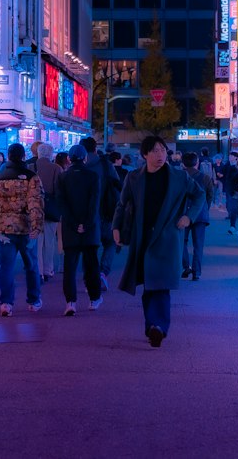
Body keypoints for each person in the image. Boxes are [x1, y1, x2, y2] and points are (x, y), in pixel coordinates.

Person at [112, 133, 205, 347]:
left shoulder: (179, 177)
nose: (160, 155)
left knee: (160, 285)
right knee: (149, 285)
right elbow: (122, 203)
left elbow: (199, 195)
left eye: (162, 150)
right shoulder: (134, 177)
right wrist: (116, 227)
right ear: (144, 154)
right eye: (154, 151)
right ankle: (153, 325)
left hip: (167, 237)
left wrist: (188, 216)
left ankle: (158, 326)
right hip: (142, 236)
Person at [0, 142, 45, 316]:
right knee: (31, 266)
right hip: (26, 229)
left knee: (6, 267)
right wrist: (36, 226)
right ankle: (33, 301)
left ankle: (6, 303)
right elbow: (36, 204)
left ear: (8, 156)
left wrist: (0, 215)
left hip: (4, 230)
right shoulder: (31, 177)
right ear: (24, 157)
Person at [57, 143, 103, 314]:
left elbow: (62, 203)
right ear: (85, 158)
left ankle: (70, 302)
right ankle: (94, 299)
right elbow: (94, 203)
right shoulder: (93, 176)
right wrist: (87, 224)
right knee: (91, 265)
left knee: (69, 267)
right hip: (90, 228)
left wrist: (75, 224)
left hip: (70, 228)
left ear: (69, 159)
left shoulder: (63, 177)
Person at [81, 135, 121, 285]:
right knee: (110, 243)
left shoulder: (78, 166)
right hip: (106, 212)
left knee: (88, 248)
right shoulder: (106, 165)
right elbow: (117, 187)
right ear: (95, 148)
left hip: (86, 215)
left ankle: (88, 279)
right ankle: (103, 273)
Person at [180, 151, 213, 280]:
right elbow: (210, 195)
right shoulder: (205, 177)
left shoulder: (180, 177)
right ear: (197, 163)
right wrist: (205, 208)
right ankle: (196, 272)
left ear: (183, 164)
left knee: (182, 242)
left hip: (183, 214)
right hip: (200, 214)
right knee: (198, 244)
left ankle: (185, 267)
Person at [35, 142, 63, 282]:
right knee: (49, 241)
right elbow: (60, 190)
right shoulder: (56, 168)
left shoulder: (30, 167)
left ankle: (38, 270)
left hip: (34, 209)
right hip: (51, 208)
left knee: (37, 241)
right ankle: (48, 269)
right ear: (50, 154)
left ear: (38, 153)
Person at [223, 153, 238, 233]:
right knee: (234, 209)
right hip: (235, 192)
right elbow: (228, 180)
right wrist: (229, 191)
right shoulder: (232, 168)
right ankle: (232, 226)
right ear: (237, 159)